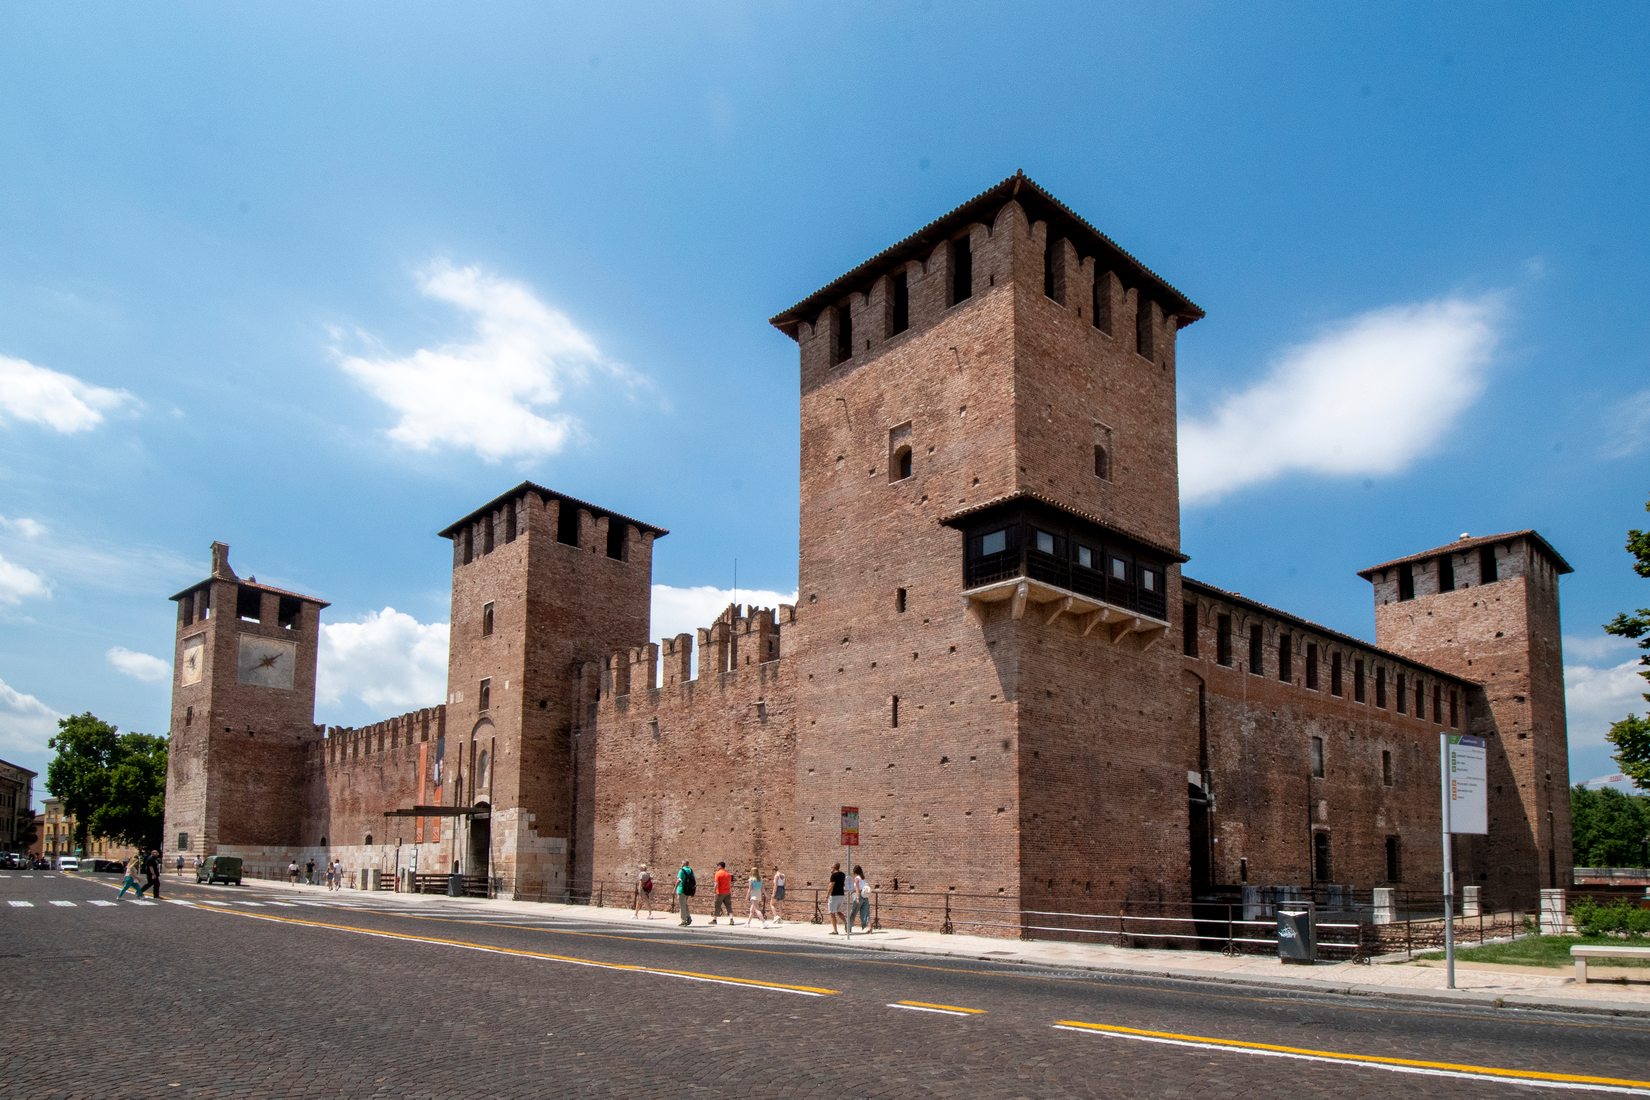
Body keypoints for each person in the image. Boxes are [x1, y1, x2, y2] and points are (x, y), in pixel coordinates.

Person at [827, 862, 847, 934]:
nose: (831, 869)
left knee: (832, 913)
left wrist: (827, 895)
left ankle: (835, 931)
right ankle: (846, 922)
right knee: (839, 911)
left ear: (834, 868)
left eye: (831, 867)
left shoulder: (833, 875)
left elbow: (831, 886)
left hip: (834, 896)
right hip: (841, 895)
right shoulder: (843, 874)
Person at [676, 860, 695, 926]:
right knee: (685, 904)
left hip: (681, 890)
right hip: (688, 890)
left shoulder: (681, 870)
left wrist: (674, 888)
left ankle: (683, 920)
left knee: (682, 906)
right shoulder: (690, 870)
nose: (680, 864)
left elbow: (679, 880)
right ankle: (689, 917)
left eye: (681, 863)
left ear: (683, 864)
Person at [852, 864, 870, 933]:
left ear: (855, 871)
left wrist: (857, 898)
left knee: (853, 912)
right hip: (865, 896)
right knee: (866, 913)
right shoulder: (863, 878)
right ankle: (870, 928)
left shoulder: (857, 879)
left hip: (859, 895)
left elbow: (857, 889)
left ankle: (849, 927)